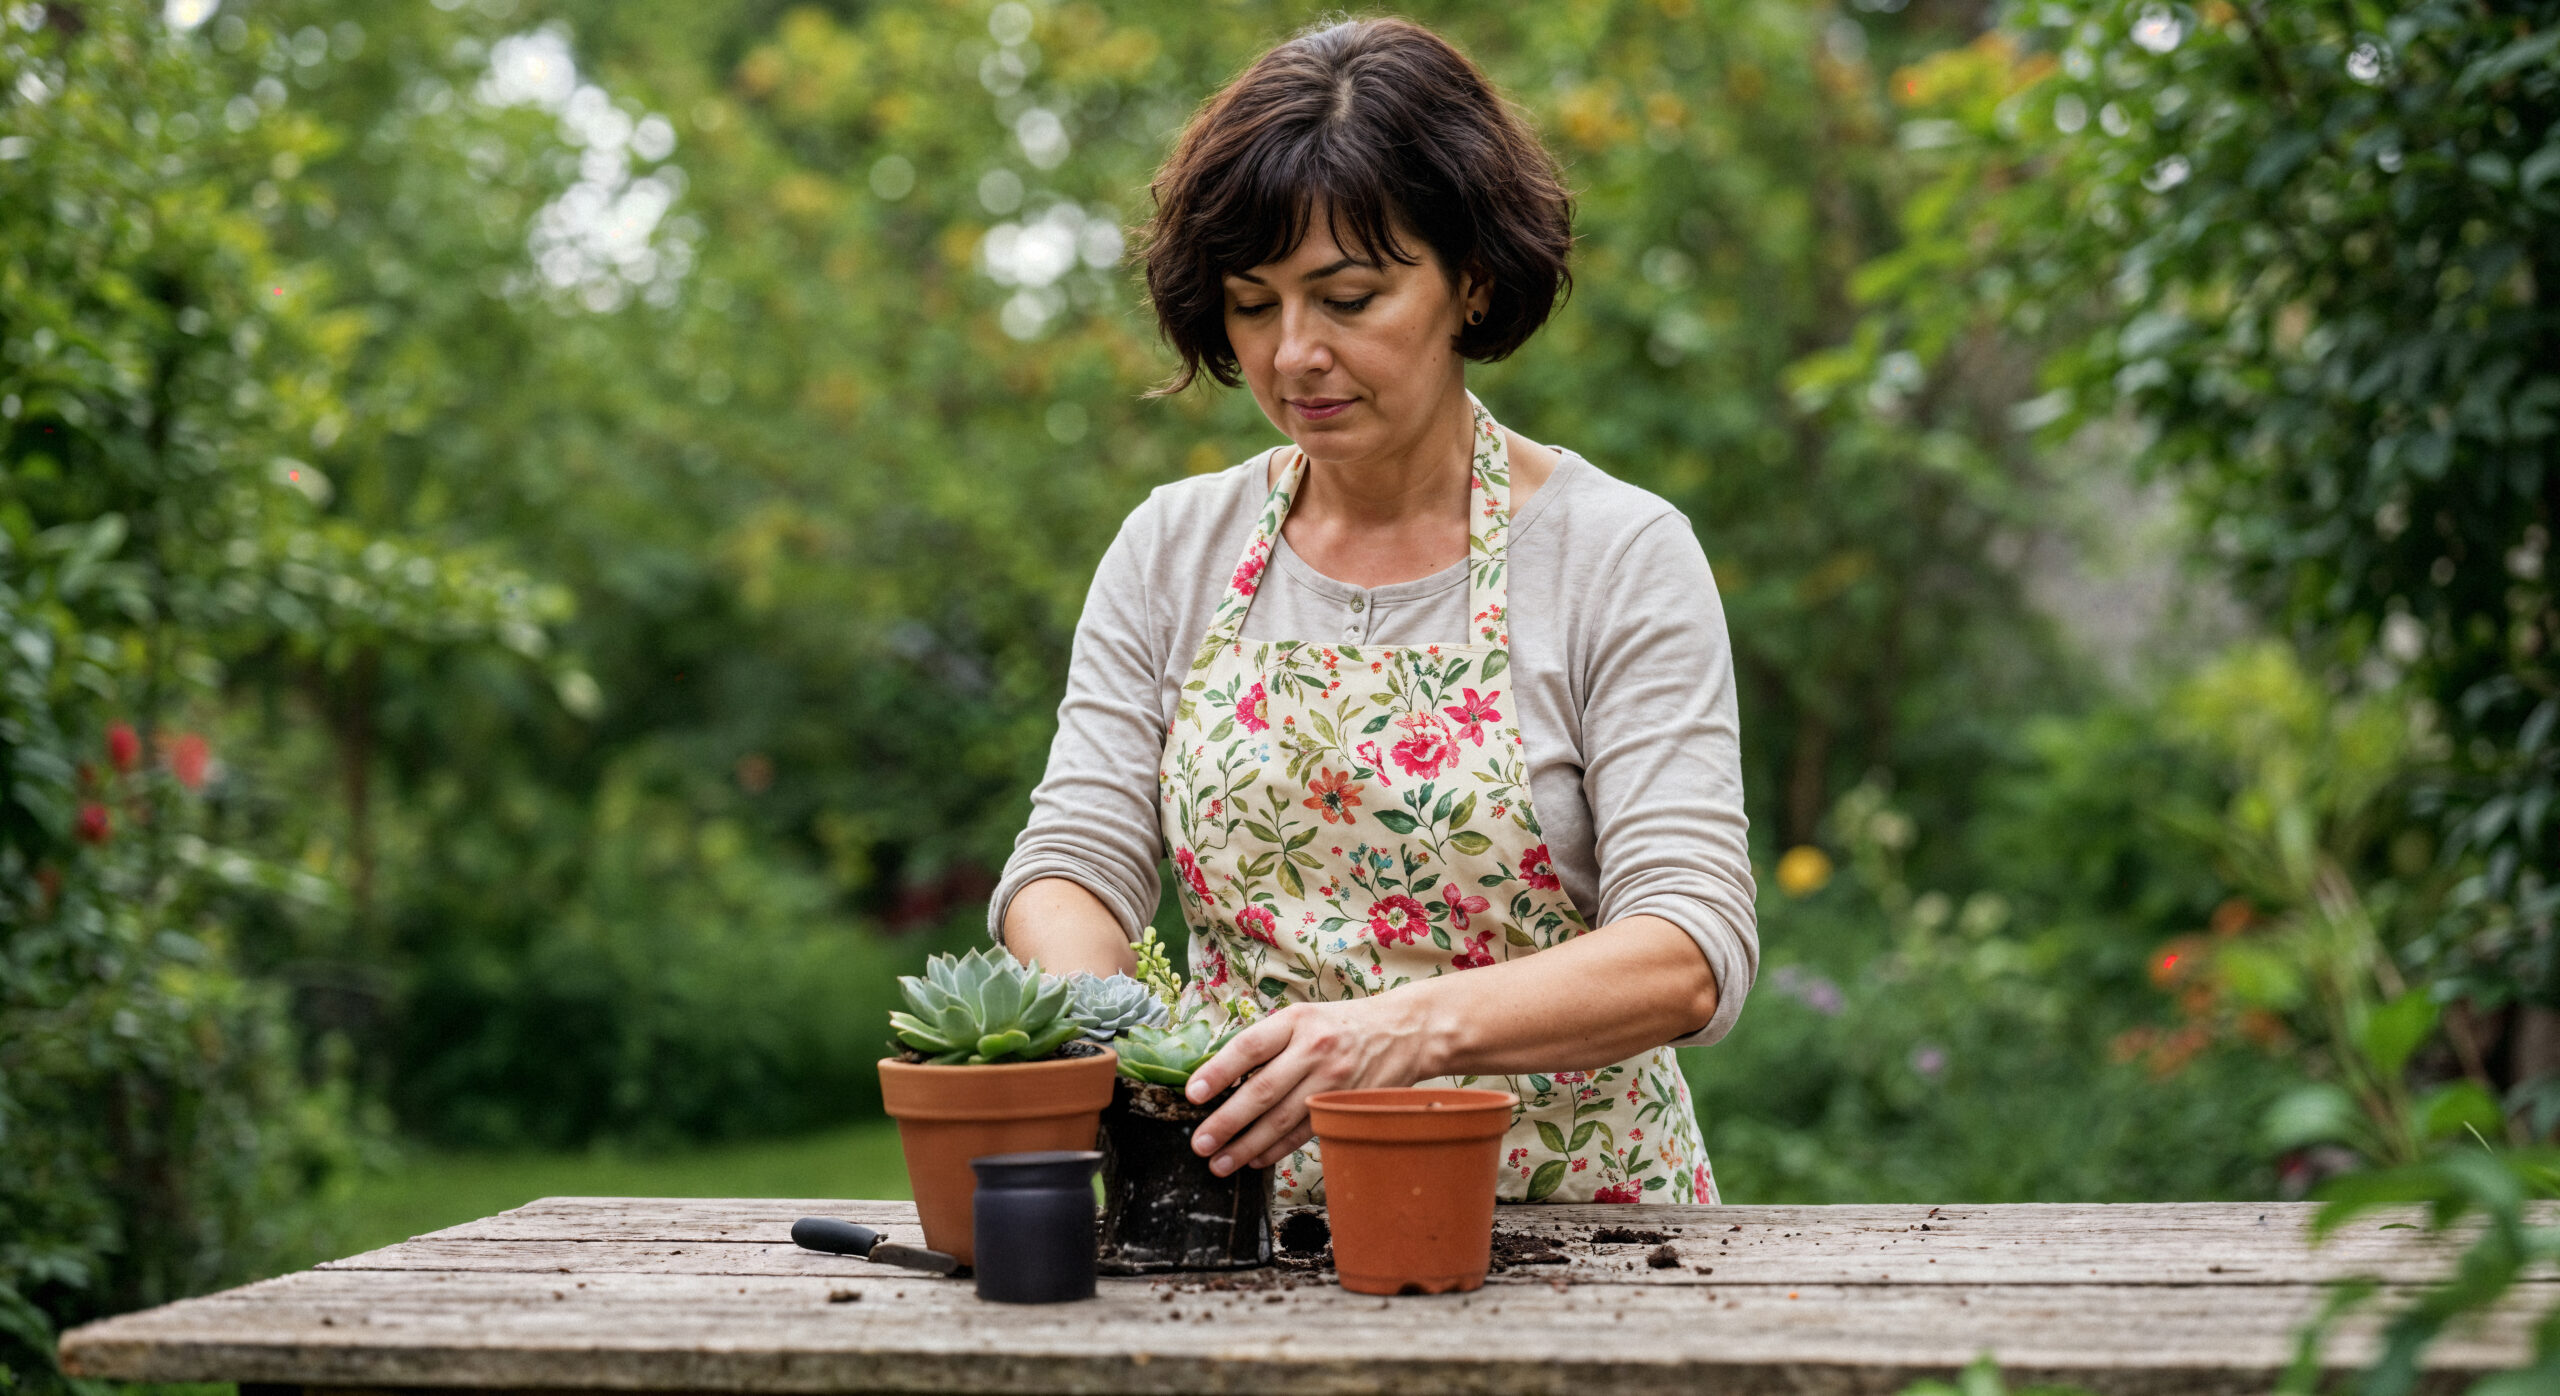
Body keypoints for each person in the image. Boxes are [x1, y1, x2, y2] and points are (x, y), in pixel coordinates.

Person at [993, 16, 1754, 1207]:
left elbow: (1687, 946)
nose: (1293, 353)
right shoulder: (1171, 549)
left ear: (1474, 281)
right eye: (1252, 305)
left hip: (1583, 1244)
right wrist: (1129, 1037)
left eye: (1348, 296)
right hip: (1237, 1232)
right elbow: (1069, 869)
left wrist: (1405, 1031)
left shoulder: (1617, 553)